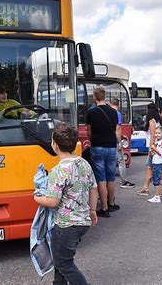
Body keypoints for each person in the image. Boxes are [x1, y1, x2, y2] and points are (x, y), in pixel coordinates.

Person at [34, 123, 98, 284]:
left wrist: (36, 197)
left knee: (64, 263)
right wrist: (93, 211)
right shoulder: (84, 163)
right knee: (60, 261)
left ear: (54, 145)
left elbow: (52, 201)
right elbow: (94, 189)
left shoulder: (59, 170)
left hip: (66, 225)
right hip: (83, 222)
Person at [86, 86, 119, 218]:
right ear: (104, 96)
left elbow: (89, 131)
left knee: (101, 178)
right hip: (111, 147)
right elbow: (115, 129)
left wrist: (93, 140)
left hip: (97, 147)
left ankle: (104, 208)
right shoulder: (113, 112)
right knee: (111, 176)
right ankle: (112, 203)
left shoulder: (91, 112)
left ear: (94, 97)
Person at [136, 103, 162, 196]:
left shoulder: (151, 121)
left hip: (153, 148)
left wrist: (150, 148)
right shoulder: (158, 121)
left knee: (151, 168)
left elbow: (152, 135)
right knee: (152, 168)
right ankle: (146, 187)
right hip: (157, 147)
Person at [109, 98, 135, 188]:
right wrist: (120, 142)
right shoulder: (117, 114)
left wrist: (122, 135)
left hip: (106, 141)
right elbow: (117, 129)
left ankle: (108, 182)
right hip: (114, 141)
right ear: (118, 105)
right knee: (121, 161)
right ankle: (124, 181)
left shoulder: (106, 112)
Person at [147, 126, 162, 203]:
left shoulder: (161, 142)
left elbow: (161, 153)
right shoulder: (158, 142)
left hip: (158, 163)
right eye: (156, 133)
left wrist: (154, 148)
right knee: (157, 178)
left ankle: (157, 197)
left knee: (156, 180)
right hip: (156, 162)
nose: (157, 135)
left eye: (159, 133)